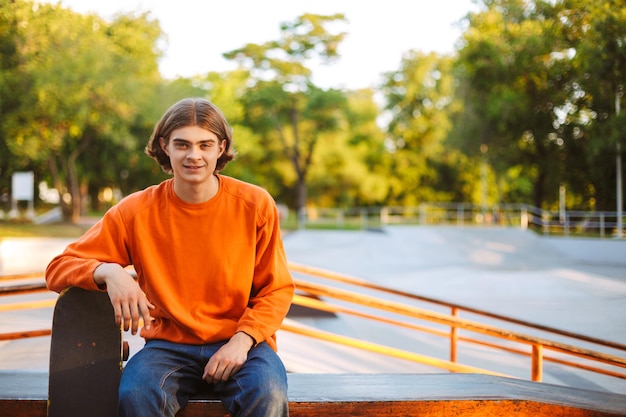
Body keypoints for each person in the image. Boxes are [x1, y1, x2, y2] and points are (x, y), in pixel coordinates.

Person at [46, 98, 295, 417]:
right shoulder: (136, 211)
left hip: (243, 342)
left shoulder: (255, 204)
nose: (194, 155)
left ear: (220, 148)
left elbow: (277, 290)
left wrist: (242, 341)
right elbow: (58, 269)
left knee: (269, 395)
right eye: (182, 144)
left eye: (205, 144)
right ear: (165, 146)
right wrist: (109, 272)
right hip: (168, 347)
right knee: (137, 394)